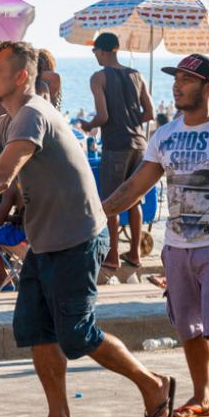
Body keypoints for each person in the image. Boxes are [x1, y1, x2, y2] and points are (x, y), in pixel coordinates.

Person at [0, 40, 175, 417]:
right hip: (46, 240)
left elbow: (0, 178)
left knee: (78, 334)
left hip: (79, 238)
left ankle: (152, 384)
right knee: (36, 329)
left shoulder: (33, 115)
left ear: (21, 76)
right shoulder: (6, 122)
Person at [101, 54, 209, 417]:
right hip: (176, 247)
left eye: (188, 79)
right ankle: (202, 396)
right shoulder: (165, 135)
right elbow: (135, 187)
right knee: (189, 327)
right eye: (176, 77)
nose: (178, 85)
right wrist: (97, 214)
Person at [79, 32, 154, 271]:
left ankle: (112, 256)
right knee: (134, 200)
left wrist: (88, 126)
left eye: (95, 53)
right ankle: (134, 254)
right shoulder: (136, 75)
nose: (96, 58)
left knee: (112, 202)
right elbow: (149, 113)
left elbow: (103, 116)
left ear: (102, 51)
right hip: (139, 144)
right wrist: (131, 123)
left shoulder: (98, 78)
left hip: (117, 145)